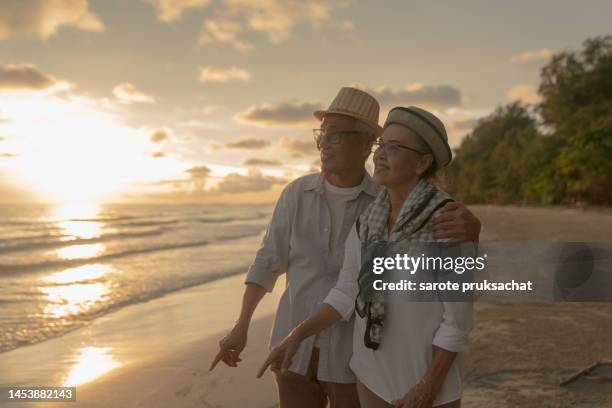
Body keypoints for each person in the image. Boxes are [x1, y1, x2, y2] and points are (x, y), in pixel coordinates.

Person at [211, 88, 480, 408]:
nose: (324, 143)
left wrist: (470, 237)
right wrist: (274, 331)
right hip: (338, 365)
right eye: (323, 134)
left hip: (357, 363)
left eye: (336, 135)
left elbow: (457, 321)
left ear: (365, 142)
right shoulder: (364, 218)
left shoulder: (436, 219)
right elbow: (326, 283)